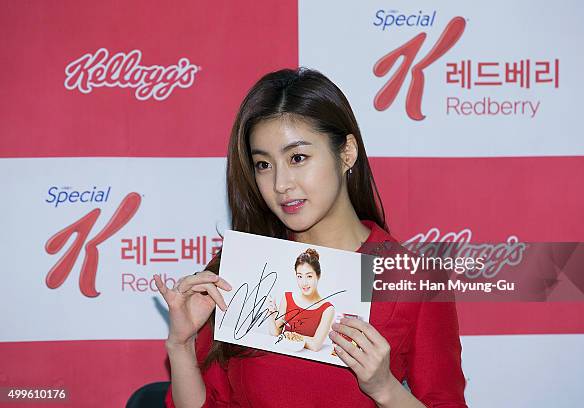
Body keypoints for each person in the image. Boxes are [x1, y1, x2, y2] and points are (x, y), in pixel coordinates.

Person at [153, 67, 468, 408]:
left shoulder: (414, 279)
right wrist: (181, 346)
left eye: (298, 158)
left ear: (346, 152)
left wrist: (385, 388)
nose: (280, 184)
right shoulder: (241, 269)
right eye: (263, 164)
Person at [267, 248, 335, 352]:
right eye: (299, 276)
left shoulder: (327, 309)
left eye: (309, 276)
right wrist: (271, 315)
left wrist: (291, 335)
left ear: (318, 276)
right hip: (284, 353)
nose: (304, 283)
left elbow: (315, 346)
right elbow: (276, 333)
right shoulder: (287, 298)